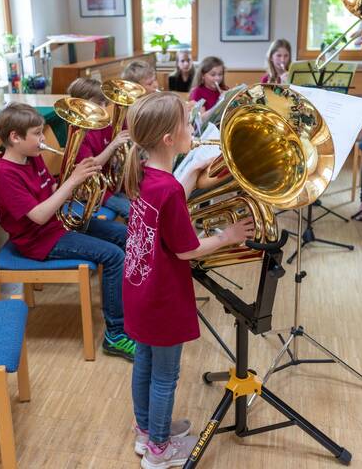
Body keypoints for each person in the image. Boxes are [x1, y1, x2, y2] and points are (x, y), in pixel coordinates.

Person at [123, 92, 254, 468]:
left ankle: (147, 432)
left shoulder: (146, 175)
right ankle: (159, 452)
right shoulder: (166, 190)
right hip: (163, 298)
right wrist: (227, 237)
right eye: (186, 123)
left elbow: (164, 212)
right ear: (169, 139)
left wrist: (191, 176)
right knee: (166, 376)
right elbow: (186, 250)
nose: (191, 129)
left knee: (144, 364)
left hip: (139, 291)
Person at [0, 102, 135, 361]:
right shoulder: (5, 174)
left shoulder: (31, 157)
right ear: (15, 137)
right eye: (37, 134)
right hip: (39, 240)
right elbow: (39, 215)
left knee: (124, 236)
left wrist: (78, 181)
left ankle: (125, 305)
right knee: (114, 256)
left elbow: (52, 193)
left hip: (58, 224)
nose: (42, 139)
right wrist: (73, 181)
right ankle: (115, 334)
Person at [68, 77, 131, 220]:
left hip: (110, 184)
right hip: (93, 191)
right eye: (98, 103)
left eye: (103, 102)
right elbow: (91, 166)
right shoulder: (78, 132)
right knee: (131, 211)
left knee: (142, 204)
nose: (103, 108)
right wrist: (113, 145)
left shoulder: (104, 124)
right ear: (81, 103)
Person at [189, 56, 228, 123]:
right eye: (213, 75)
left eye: (220, 74)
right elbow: (202, 119)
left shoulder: (225, 89)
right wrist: (220, 103)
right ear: (203, 75)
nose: (217, 78)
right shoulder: (197, 92)